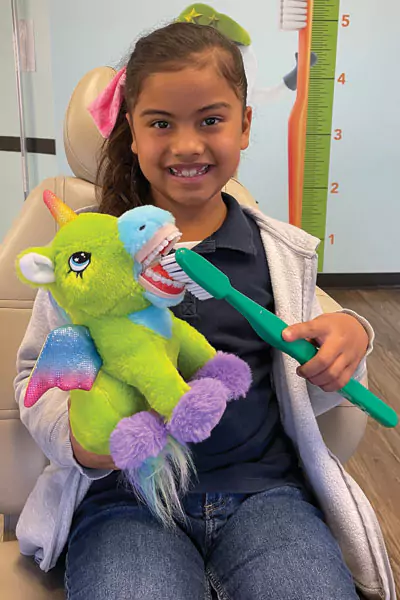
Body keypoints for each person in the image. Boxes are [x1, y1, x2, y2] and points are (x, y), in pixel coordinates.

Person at [14, 21, 393, 600]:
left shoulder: (280, 255)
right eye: (160, 123)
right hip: (127, 502)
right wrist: (79, 441)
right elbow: (33, 378)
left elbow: (314, 383)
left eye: (211, 120)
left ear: (244, 127)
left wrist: (351, 339)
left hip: (266, 497)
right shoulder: (87, 259)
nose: (187, 144)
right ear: (131, 134)